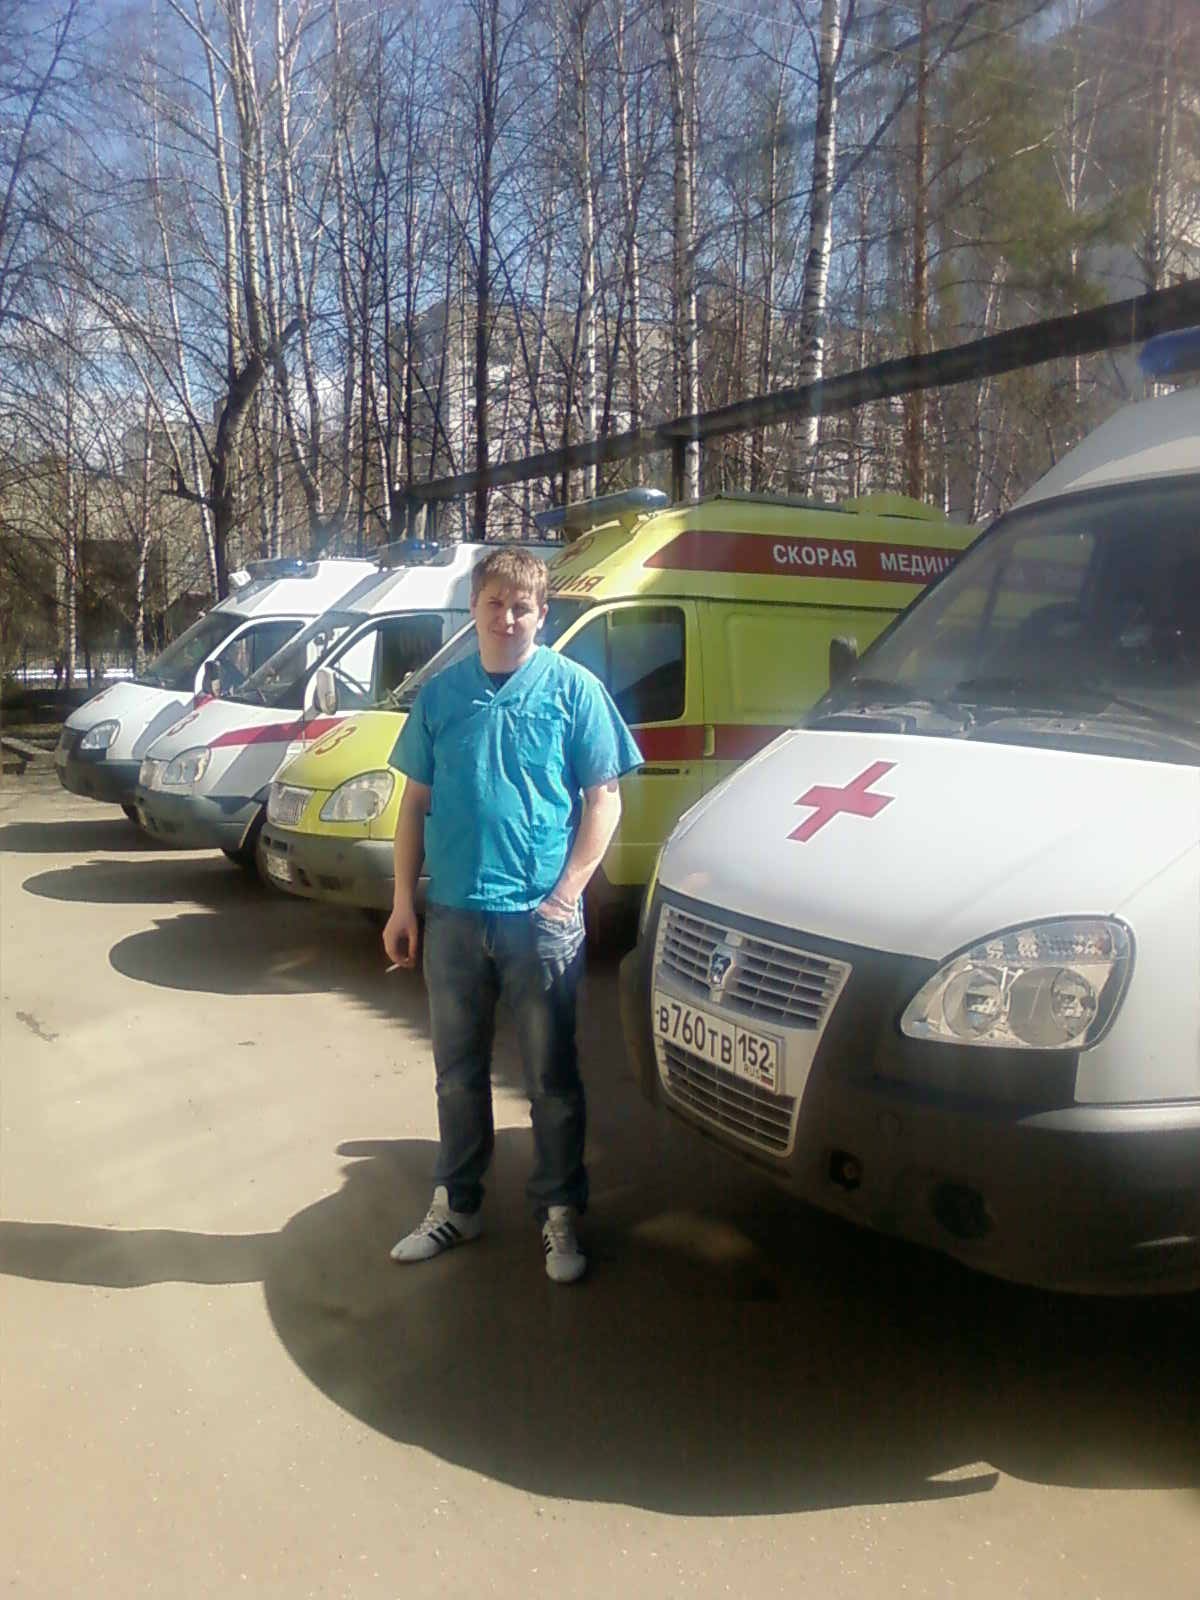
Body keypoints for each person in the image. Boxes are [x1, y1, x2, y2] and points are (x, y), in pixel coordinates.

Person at [382, 548, 643, 1283]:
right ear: (473, 608)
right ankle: (457, 1205)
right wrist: (403, 902)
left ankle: (559, 1214)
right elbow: (414, 805)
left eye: (521, 606)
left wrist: (566, 895)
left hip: (539, 921)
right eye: (494, 603)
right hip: (455, 917)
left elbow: (604, 800)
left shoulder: (573, 690)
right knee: (456, 1077)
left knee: (551, 1081)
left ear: (541, 615)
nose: (507, 617)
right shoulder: (441, 696)